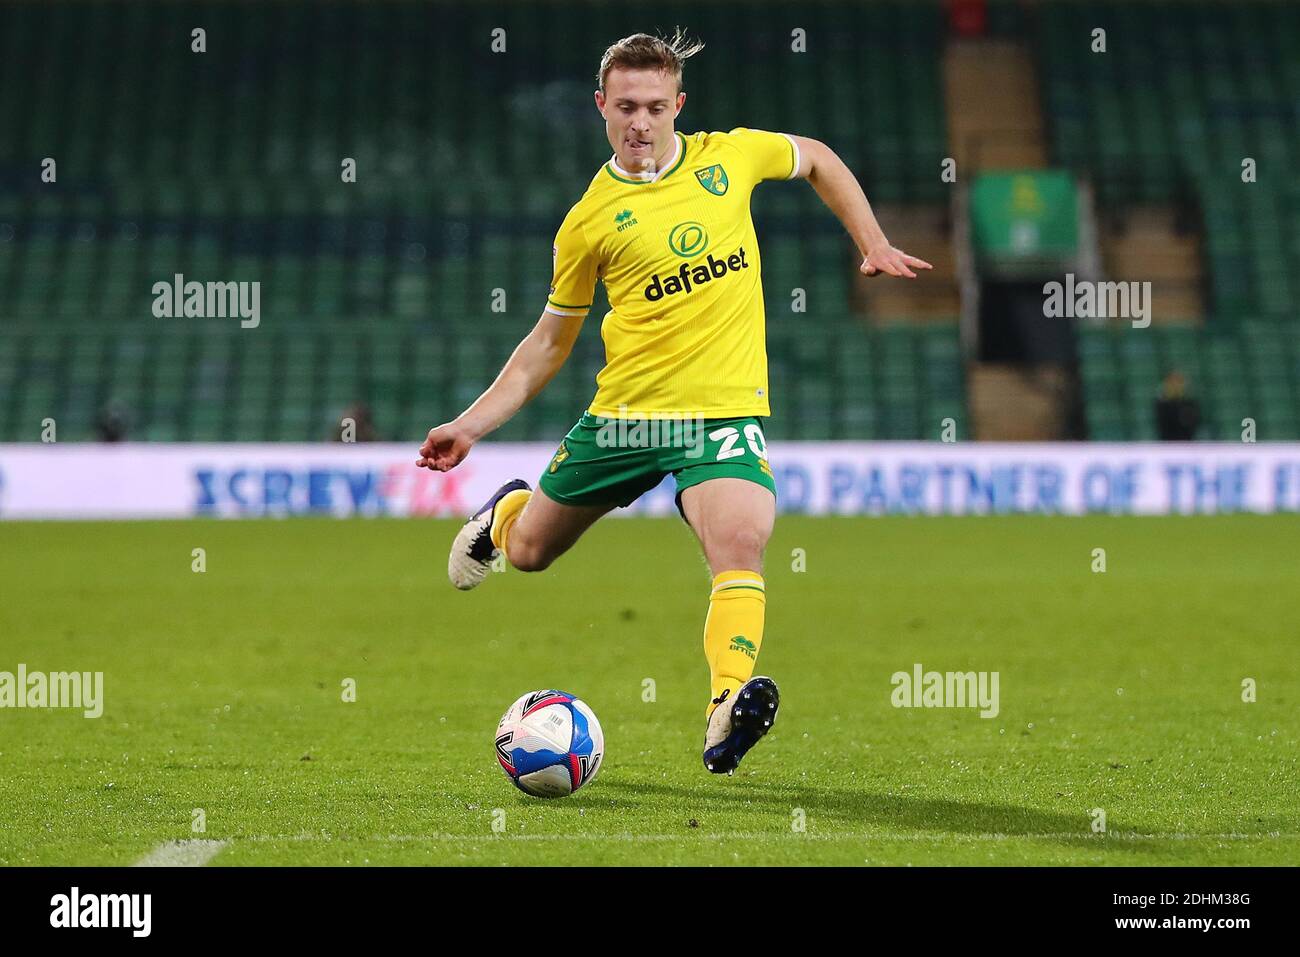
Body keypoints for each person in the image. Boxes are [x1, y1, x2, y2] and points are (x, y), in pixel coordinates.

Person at [418, 30, 931, 774]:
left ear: (679, 105)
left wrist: (871, 239)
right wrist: (470, 424)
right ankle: (504, 514)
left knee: (742, 541)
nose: (640, 122)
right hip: (625, 418)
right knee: (529, 555)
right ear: (600, 105)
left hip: (720, 413)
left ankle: (725, 705)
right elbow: (548, 344)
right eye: (625, 106)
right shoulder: (589, 220)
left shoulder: (731, 156)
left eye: (656, 106)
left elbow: (816, 155)